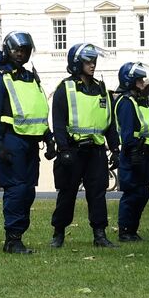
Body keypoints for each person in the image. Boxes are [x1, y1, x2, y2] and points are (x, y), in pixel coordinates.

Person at [0, 31, 52, 253]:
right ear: (7, 51)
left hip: (31, 141)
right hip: (10, 140)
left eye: (24, 50)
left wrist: (48, 137)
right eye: (16, 50)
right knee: (16, 190)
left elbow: (38, 111)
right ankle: (12, 239)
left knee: (29, 191)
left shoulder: (31, 79)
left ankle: (18, 234)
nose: (21, 54)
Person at [48, 43, 118, 248]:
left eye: (94, 61)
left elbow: (110, 123)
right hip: (73, 150)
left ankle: (100, 234)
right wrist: (63, 149)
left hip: (96, 151)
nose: (92, 64)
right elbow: (58, 122)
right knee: (67, 193)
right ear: (77, 63)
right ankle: (58, 233)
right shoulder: (65, 88)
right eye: (88, 61)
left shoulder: (102, 89)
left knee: (98, 193)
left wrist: (115, 149)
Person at [113, 62, 149, 242]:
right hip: (134, 155)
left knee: (142, 193)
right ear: (130, 80)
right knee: (132, 194)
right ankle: (125, 231)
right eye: (139, 79)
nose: (142, 82)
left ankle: (132, 230)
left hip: (145, 154)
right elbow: (128, 133)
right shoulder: (126, 103)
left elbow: (148, 129)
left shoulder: (139, 101)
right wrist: (134, 152)